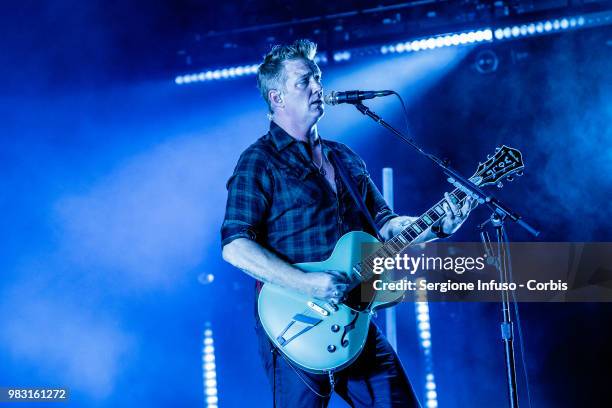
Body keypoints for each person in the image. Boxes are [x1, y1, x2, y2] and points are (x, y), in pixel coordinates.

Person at [221, 39, 473, 407]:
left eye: (317, 77)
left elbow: (385, 225)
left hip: (354, 319)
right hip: (295, 322)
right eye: (303, 81)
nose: (317, 87)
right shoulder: (259, 161)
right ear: (277, 98)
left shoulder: (345, 158)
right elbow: (234, 245)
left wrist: (436, 226)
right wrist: (306, 282)